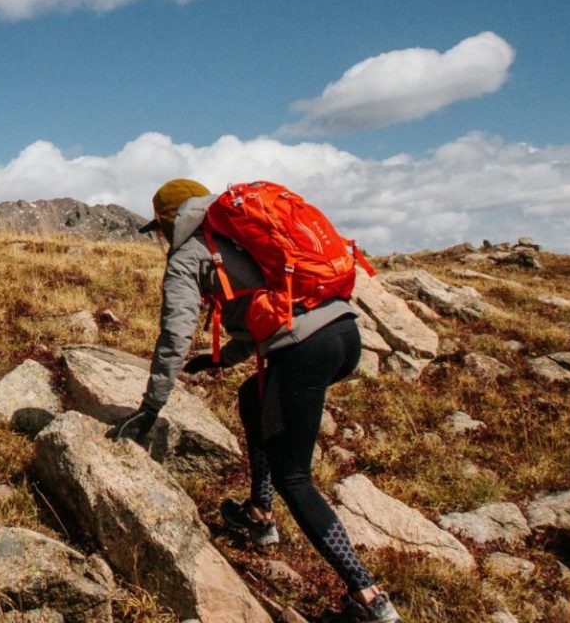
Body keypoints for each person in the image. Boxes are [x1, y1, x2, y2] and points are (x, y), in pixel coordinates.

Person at [113, 179, 401, 623]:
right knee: (253, 396)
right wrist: (223, 358)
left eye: (160, 228)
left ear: (169, 222)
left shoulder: (187, 256)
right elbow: (268, 307)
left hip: (305, 349)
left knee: (296, 478)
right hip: (344, 334)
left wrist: (152, 405)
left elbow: (174, 332)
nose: (160, 237)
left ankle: (369, 600)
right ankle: (259, 514)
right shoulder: (238, 232)